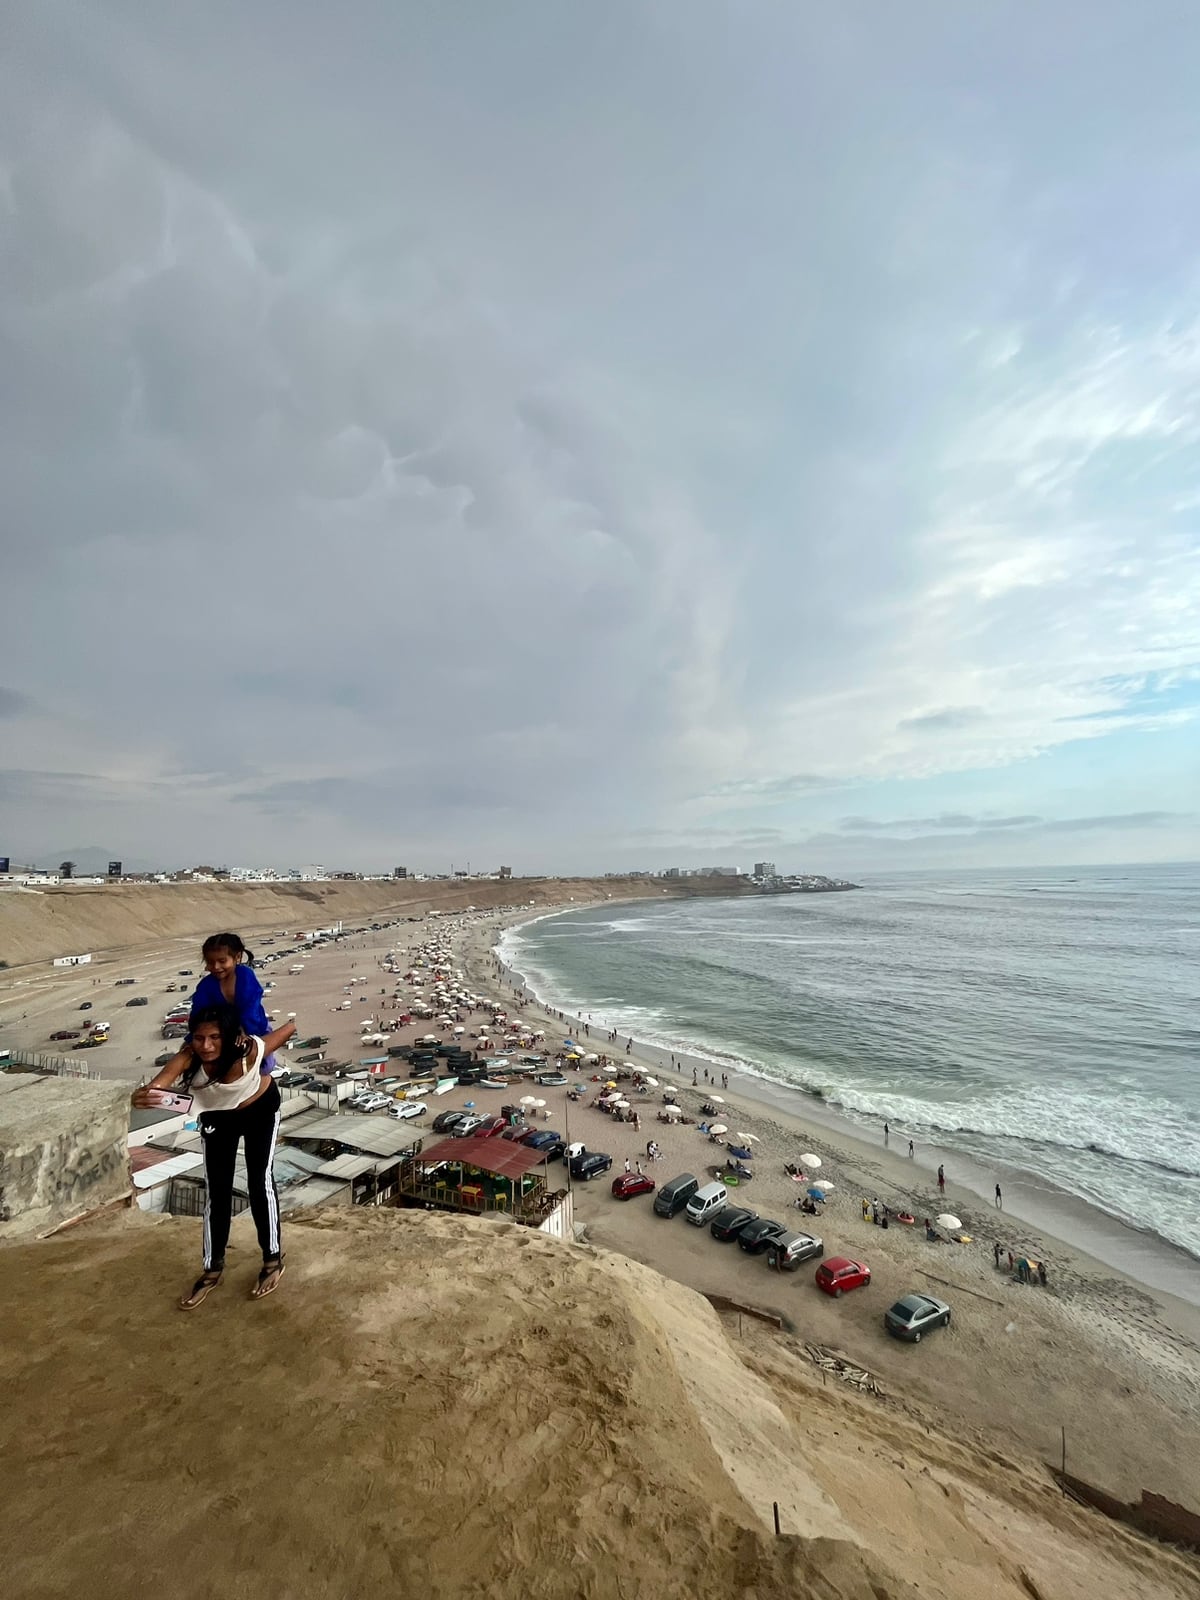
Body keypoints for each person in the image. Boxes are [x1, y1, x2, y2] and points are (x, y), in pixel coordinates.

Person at [132, 1003, 296, 1308]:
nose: (206, 1046)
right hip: (218, 1117)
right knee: (216, 1191)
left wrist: (282, 1025)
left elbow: (287, 1030)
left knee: (259, 1183)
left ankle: (272, 1260)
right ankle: (212, 1269)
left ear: (230, 1037)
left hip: (259, 1110)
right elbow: (163, 1083)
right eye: (199, 1038)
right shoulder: (190, 1056)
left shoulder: (247, 1051)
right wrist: (149, 1094)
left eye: (215, 1038)